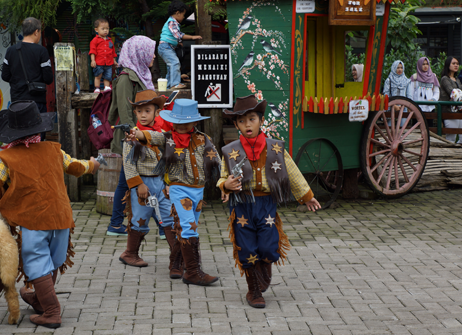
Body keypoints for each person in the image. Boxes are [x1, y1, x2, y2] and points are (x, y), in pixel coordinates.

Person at [0, 101, 100, 328]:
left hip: (32, 221)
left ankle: (52, 312)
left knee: (36, 263)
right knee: (52, 261)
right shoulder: (54, 149)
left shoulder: (6, 157)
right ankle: (39, 299)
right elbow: (76, 167)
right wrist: (92, 165)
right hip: (61, 217)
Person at [218, 95, 321, 308]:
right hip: (242, 204)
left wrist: (307, 195)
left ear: (261, 121)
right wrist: (225, 185)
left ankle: (265, 267)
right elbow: (222, 176)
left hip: (266, 205)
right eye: (243, 120)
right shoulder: (230, 151)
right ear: (236, 124)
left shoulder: (275, 149)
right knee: (246, 248)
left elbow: (292, 172)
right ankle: (253, 290)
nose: (248, 124)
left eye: (252, 119)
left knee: (267, 245)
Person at [129, 99, 221, 286]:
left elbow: (217, 161)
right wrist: (137, 133)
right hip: (178, 189)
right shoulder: (167, 138)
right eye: (177, 122)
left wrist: (224, 183)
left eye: (185, 122)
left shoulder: (204, 139)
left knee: (189, 226)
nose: (180, 126)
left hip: (198, 191)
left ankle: (177, 263)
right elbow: (152, 137)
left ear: (195, 122)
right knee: (187, 225)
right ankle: (193, 271)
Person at [120, 90, 183, 279]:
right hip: (142, 182)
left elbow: (170, 158)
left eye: (148, 111)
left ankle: (178, 256)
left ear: (157, 112)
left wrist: (170, 181)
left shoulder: (162, 135)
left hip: (161, 181)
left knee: (169, 216)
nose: (143, 115)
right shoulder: (130, 137)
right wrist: (138, 184)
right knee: (139, 217)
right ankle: (130, 253)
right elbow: (128, 164)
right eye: (139, 112)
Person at [106, 35, 156, 236]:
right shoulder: (126, 78)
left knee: (127, 179)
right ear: (139, 53)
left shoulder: (140, 74)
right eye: (150, 52)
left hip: (140, 136)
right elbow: (126, 112)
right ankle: (117, 224)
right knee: (126, 179)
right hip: (132, 137)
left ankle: (117, 224)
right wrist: (134, 136)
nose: (153, 56)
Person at [1, 17, 53, 139]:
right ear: (36, 32)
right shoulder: (41, 51)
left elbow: (5, 76)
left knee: (20, 138)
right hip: (37, 103)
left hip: (17, 103)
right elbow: (48, 78)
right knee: (38, 138)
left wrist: (18, 82)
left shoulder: (11, 51)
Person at [158, 0, 202, 90]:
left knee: (171, 66)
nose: (184, 17)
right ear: (178, 13)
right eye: (183, 14)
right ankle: (175, 84)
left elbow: (172, 36)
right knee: (175, 63)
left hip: (166, 47)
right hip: (165, 47)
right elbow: (178, 34)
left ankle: (169, 85)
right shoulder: (172, 22)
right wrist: (192, 37)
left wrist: (177, 43)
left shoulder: (172, 22)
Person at [440, 56, 462, 144]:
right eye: (453, 63)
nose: (456, 65)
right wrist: (460, 96)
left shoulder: (458, 80)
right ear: (448, 65)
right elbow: (452, 93)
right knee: (451, 139)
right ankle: (449, 157)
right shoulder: (445, 79)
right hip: (450, 112)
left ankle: (458, 154)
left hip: (461, 111)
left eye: (457, 63)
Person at [89, 18, 118, 93]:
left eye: (107, 28)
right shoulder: (95, 40)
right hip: (98, 62)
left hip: (108, 62)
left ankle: (107, 87)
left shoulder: (109, 40)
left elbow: (113, 51)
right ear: (96, 30)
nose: (105, 30)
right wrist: (93, 60)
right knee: (98, 76)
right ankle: (97, 88)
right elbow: (92, 51)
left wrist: (114, 60)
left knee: (108, 76)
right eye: (103, 29)